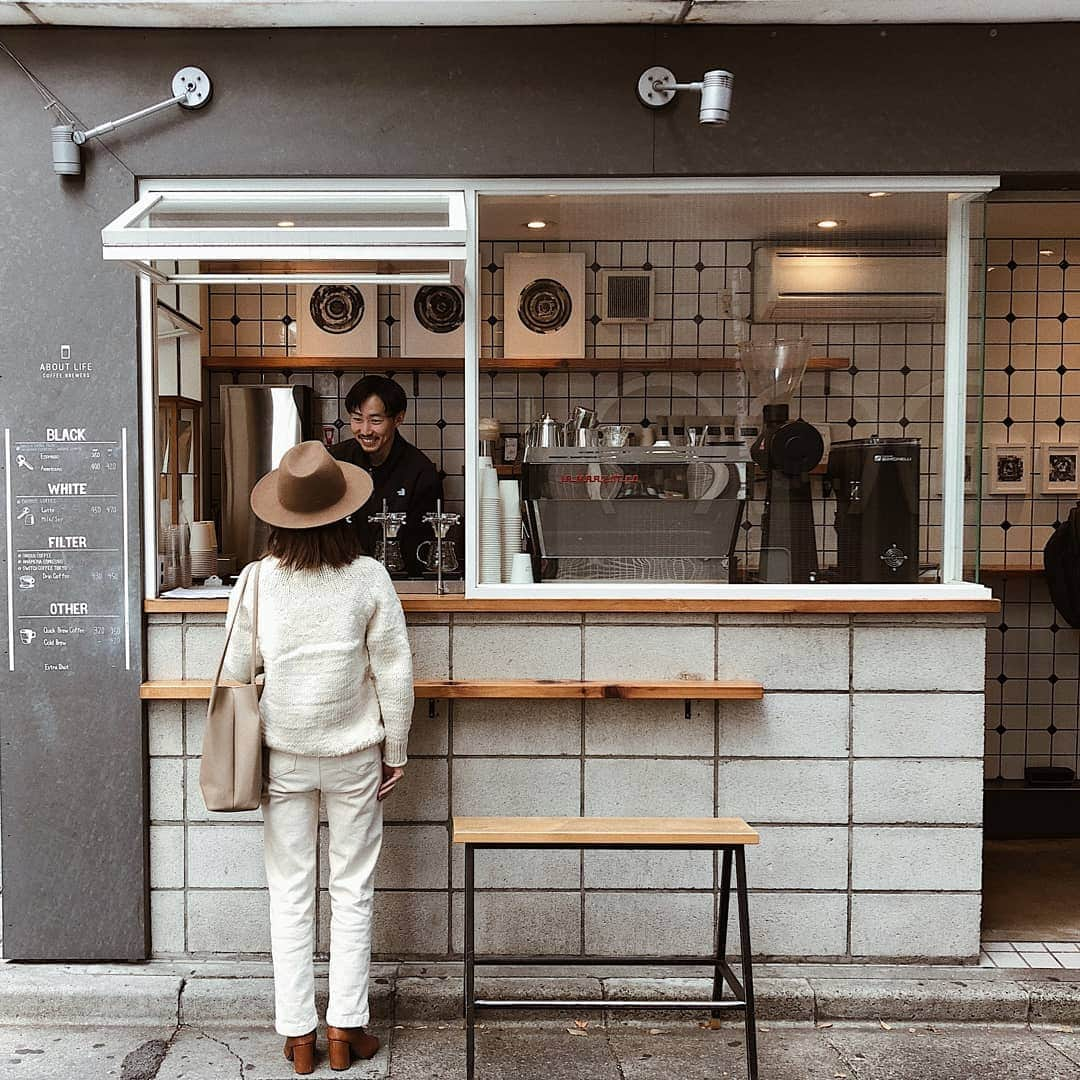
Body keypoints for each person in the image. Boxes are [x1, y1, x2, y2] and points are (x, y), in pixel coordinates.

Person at [220, 440, 414, 1075]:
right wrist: (398, 746)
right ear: (344, 511)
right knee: (353, 888)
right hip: (356, 751)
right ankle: (345, 1031)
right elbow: (394, 671)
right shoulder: (369, 577)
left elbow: (237, 669)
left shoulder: (256, 580)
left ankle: (298, 1036)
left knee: (291, 891)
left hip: (284, 753)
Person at [330, 374, 442, 576]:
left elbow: (423, 544)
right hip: (340, 580)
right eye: (357, 419)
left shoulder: (420, 471)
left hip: (399, 582)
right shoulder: (335, 461)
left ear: (398, 418)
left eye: (375, 420)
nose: (365, 430)